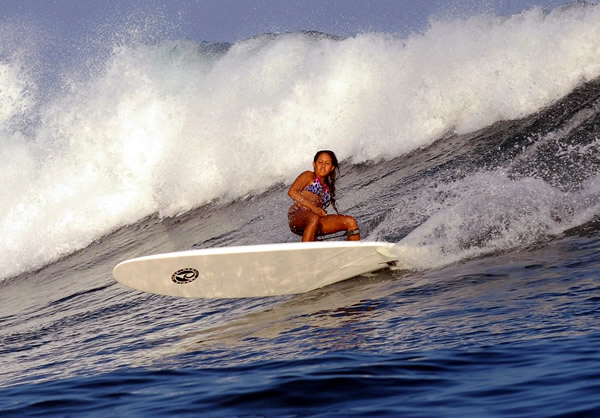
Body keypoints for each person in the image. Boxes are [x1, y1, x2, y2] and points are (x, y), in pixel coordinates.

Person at [288, 150, 360, 242]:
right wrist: (313, 208)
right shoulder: (309, 176)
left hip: (315, 220)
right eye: (320, 162)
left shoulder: (327, 188)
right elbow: (292, 192)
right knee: (313, 218)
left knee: (350, 222)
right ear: (314, 164)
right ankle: (304, 253)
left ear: (331, 168)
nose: (323, 166)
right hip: (297, 216)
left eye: (327, 163)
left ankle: (354, 252)